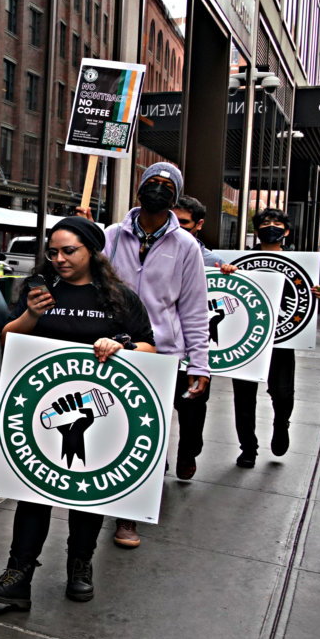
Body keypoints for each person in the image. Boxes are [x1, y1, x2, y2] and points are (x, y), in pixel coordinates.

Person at [0, 216, 156, 609]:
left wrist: (122, 350)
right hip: (45, 407)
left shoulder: (120, 298)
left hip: (97, 412)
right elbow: (9, 339)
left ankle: (80, 565)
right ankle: (18, 575)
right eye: (52, 252)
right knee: (32, 491)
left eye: (68, 250)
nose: (59, 259)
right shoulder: (41, 291)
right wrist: (31, 316)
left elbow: (150, 349)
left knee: (87, 491)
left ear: (92, 250)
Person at [101, 161, 210, 549]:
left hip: (161, 355)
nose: (159, 189)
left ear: (176, 196)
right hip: (110, 348)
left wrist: (200, 364)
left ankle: (128, 518)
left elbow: (194, 310)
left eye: (168, 185)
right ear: (140, 188)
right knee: (108, 429)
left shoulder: (186, 247)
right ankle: (99, 500)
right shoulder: (112, 236)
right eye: (153, 182)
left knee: (146, 436)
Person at [232, 207, 320, 467]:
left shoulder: (302, 268)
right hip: (248, 342)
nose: (271, 226)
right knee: (244, 398)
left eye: (277, 222)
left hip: (282, 344)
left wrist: (317, 298)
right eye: (265, 222)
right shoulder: (241, 263)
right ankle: (248, 448)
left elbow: (309, 313)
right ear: (257, 231)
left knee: (283, 395)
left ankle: (281, 425)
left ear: (287, 231)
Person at [173, 194, 237, 274]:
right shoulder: (155, 252)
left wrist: (226, 274)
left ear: (199, 224)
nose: (176, 226)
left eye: (184, 222)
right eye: (172, 220)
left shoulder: (213, 262)